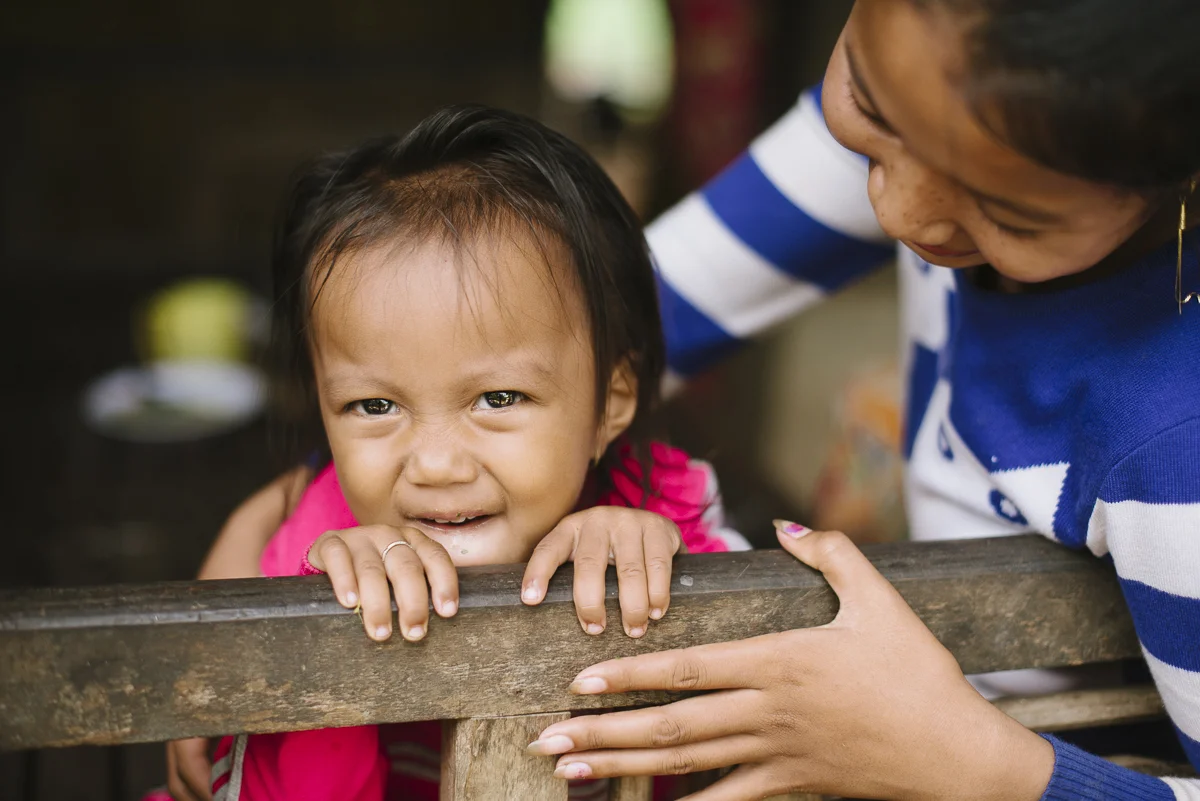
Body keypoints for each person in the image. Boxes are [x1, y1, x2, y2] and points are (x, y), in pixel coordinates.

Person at [172, 0, 1200, 798]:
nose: (899, 208)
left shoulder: (1177, 439)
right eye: (871, 114)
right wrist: (269, 548)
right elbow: (531, 335)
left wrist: (972, 763)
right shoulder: (944, 81)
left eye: (1005, 210)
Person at [184, 107, 746, 801]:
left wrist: (661, 564)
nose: (436, 465)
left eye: (500, 398)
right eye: (374, 405)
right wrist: (324, 625)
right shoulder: (317, 543)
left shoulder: (662, 504)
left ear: (611, 402)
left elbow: (761, 685)